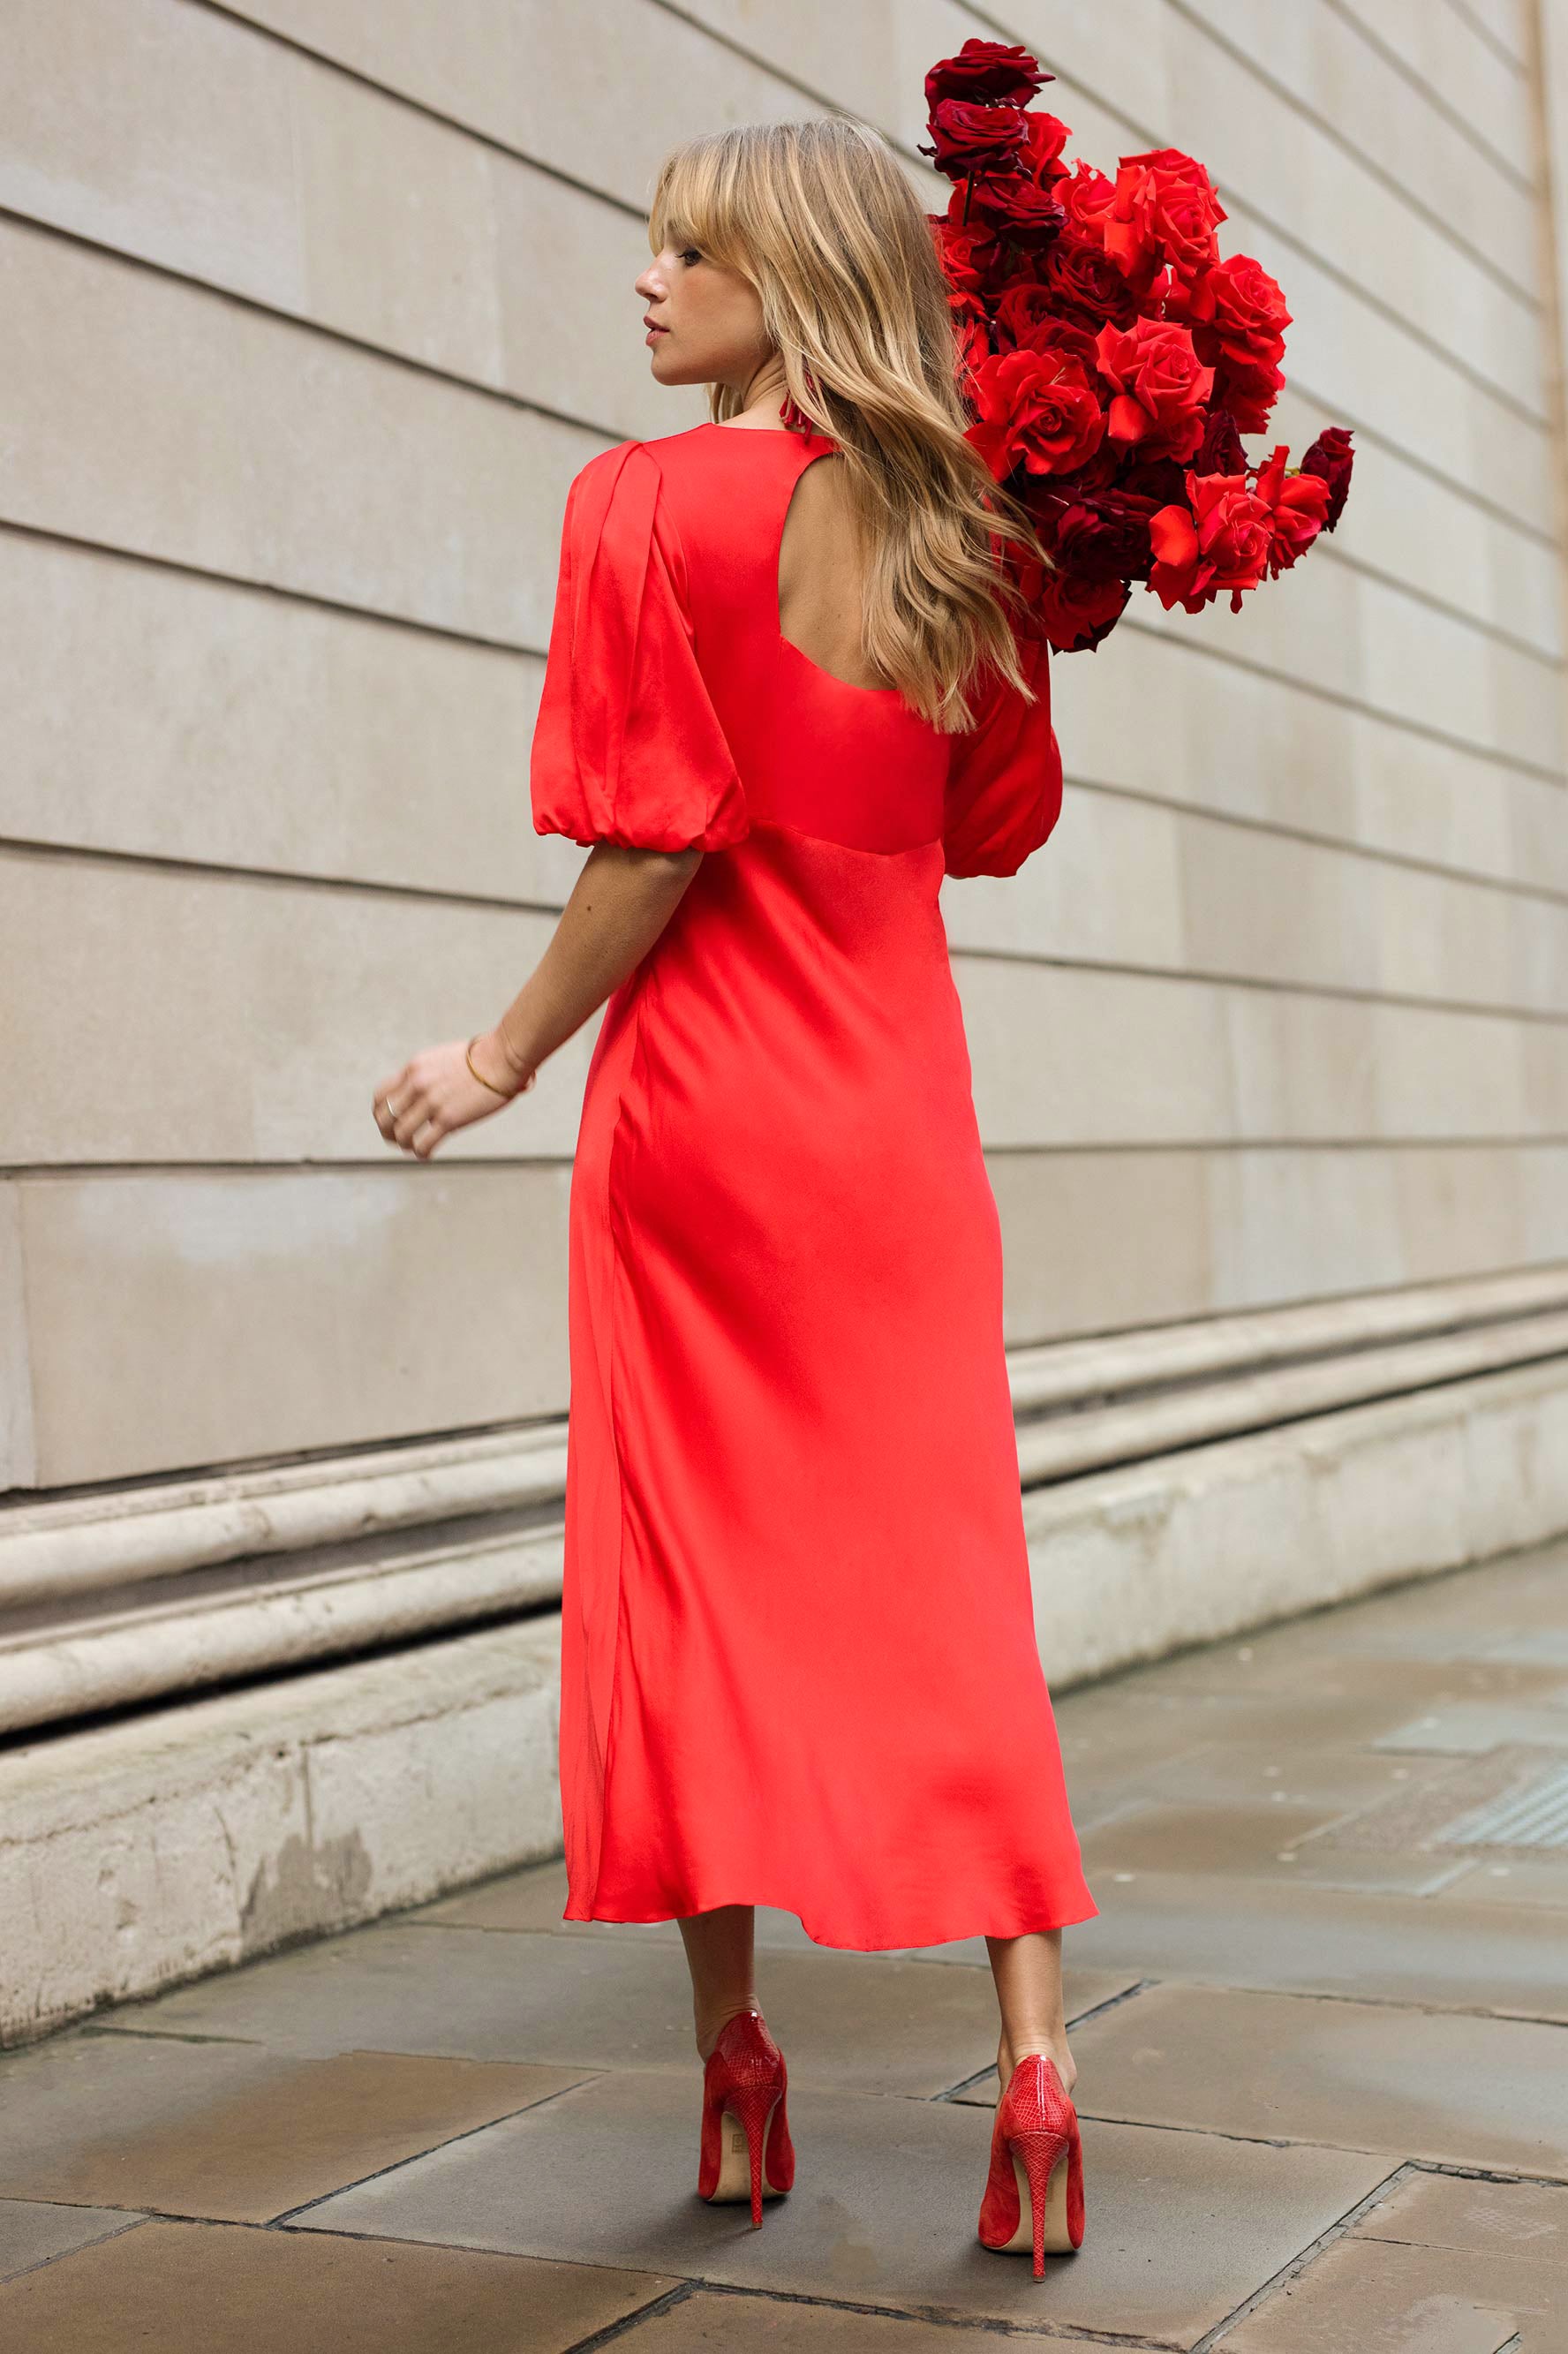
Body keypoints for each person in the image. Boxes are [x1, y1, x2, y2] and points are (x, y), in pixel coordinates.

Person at [373, 114, 1094, 2280]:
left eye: (687, 247)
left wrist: (493, 1054)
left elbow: (657, 836)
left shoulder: (641, 505)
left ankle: (737, 2063)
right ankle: (1038, 2070)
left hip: (697, 1116)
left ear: (790, 276)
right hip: (890, 1130)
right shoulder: (969, 544)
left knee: (681, 1570)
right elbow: (987, 825)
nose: (648, 279)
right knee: (951, 1568)